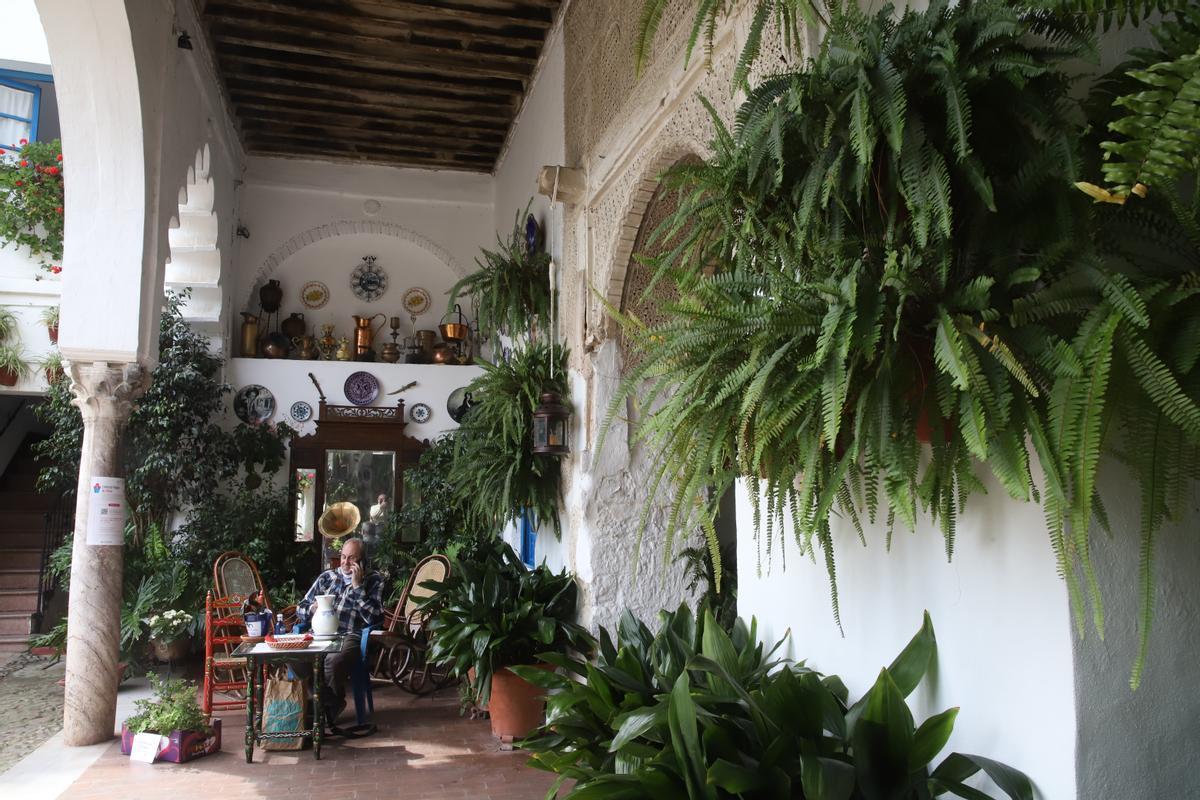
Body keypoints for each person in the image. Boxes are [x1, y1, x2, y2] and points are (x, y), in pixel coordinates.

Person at [296, 537, 384, 726]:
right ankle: (331, 702)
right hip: (318, 635)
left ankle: (323, 708)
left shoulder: (373, 580)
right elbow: (300, 607)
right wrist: (312, 609)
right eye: (343, 557)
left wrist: (357, 587)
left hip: (349, 635)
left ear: (362, 561)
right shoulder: (326, 577)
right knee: (294, 657)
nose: (345, 562)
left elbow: (375, 618)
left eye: (352, 558)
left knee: (333, 659)